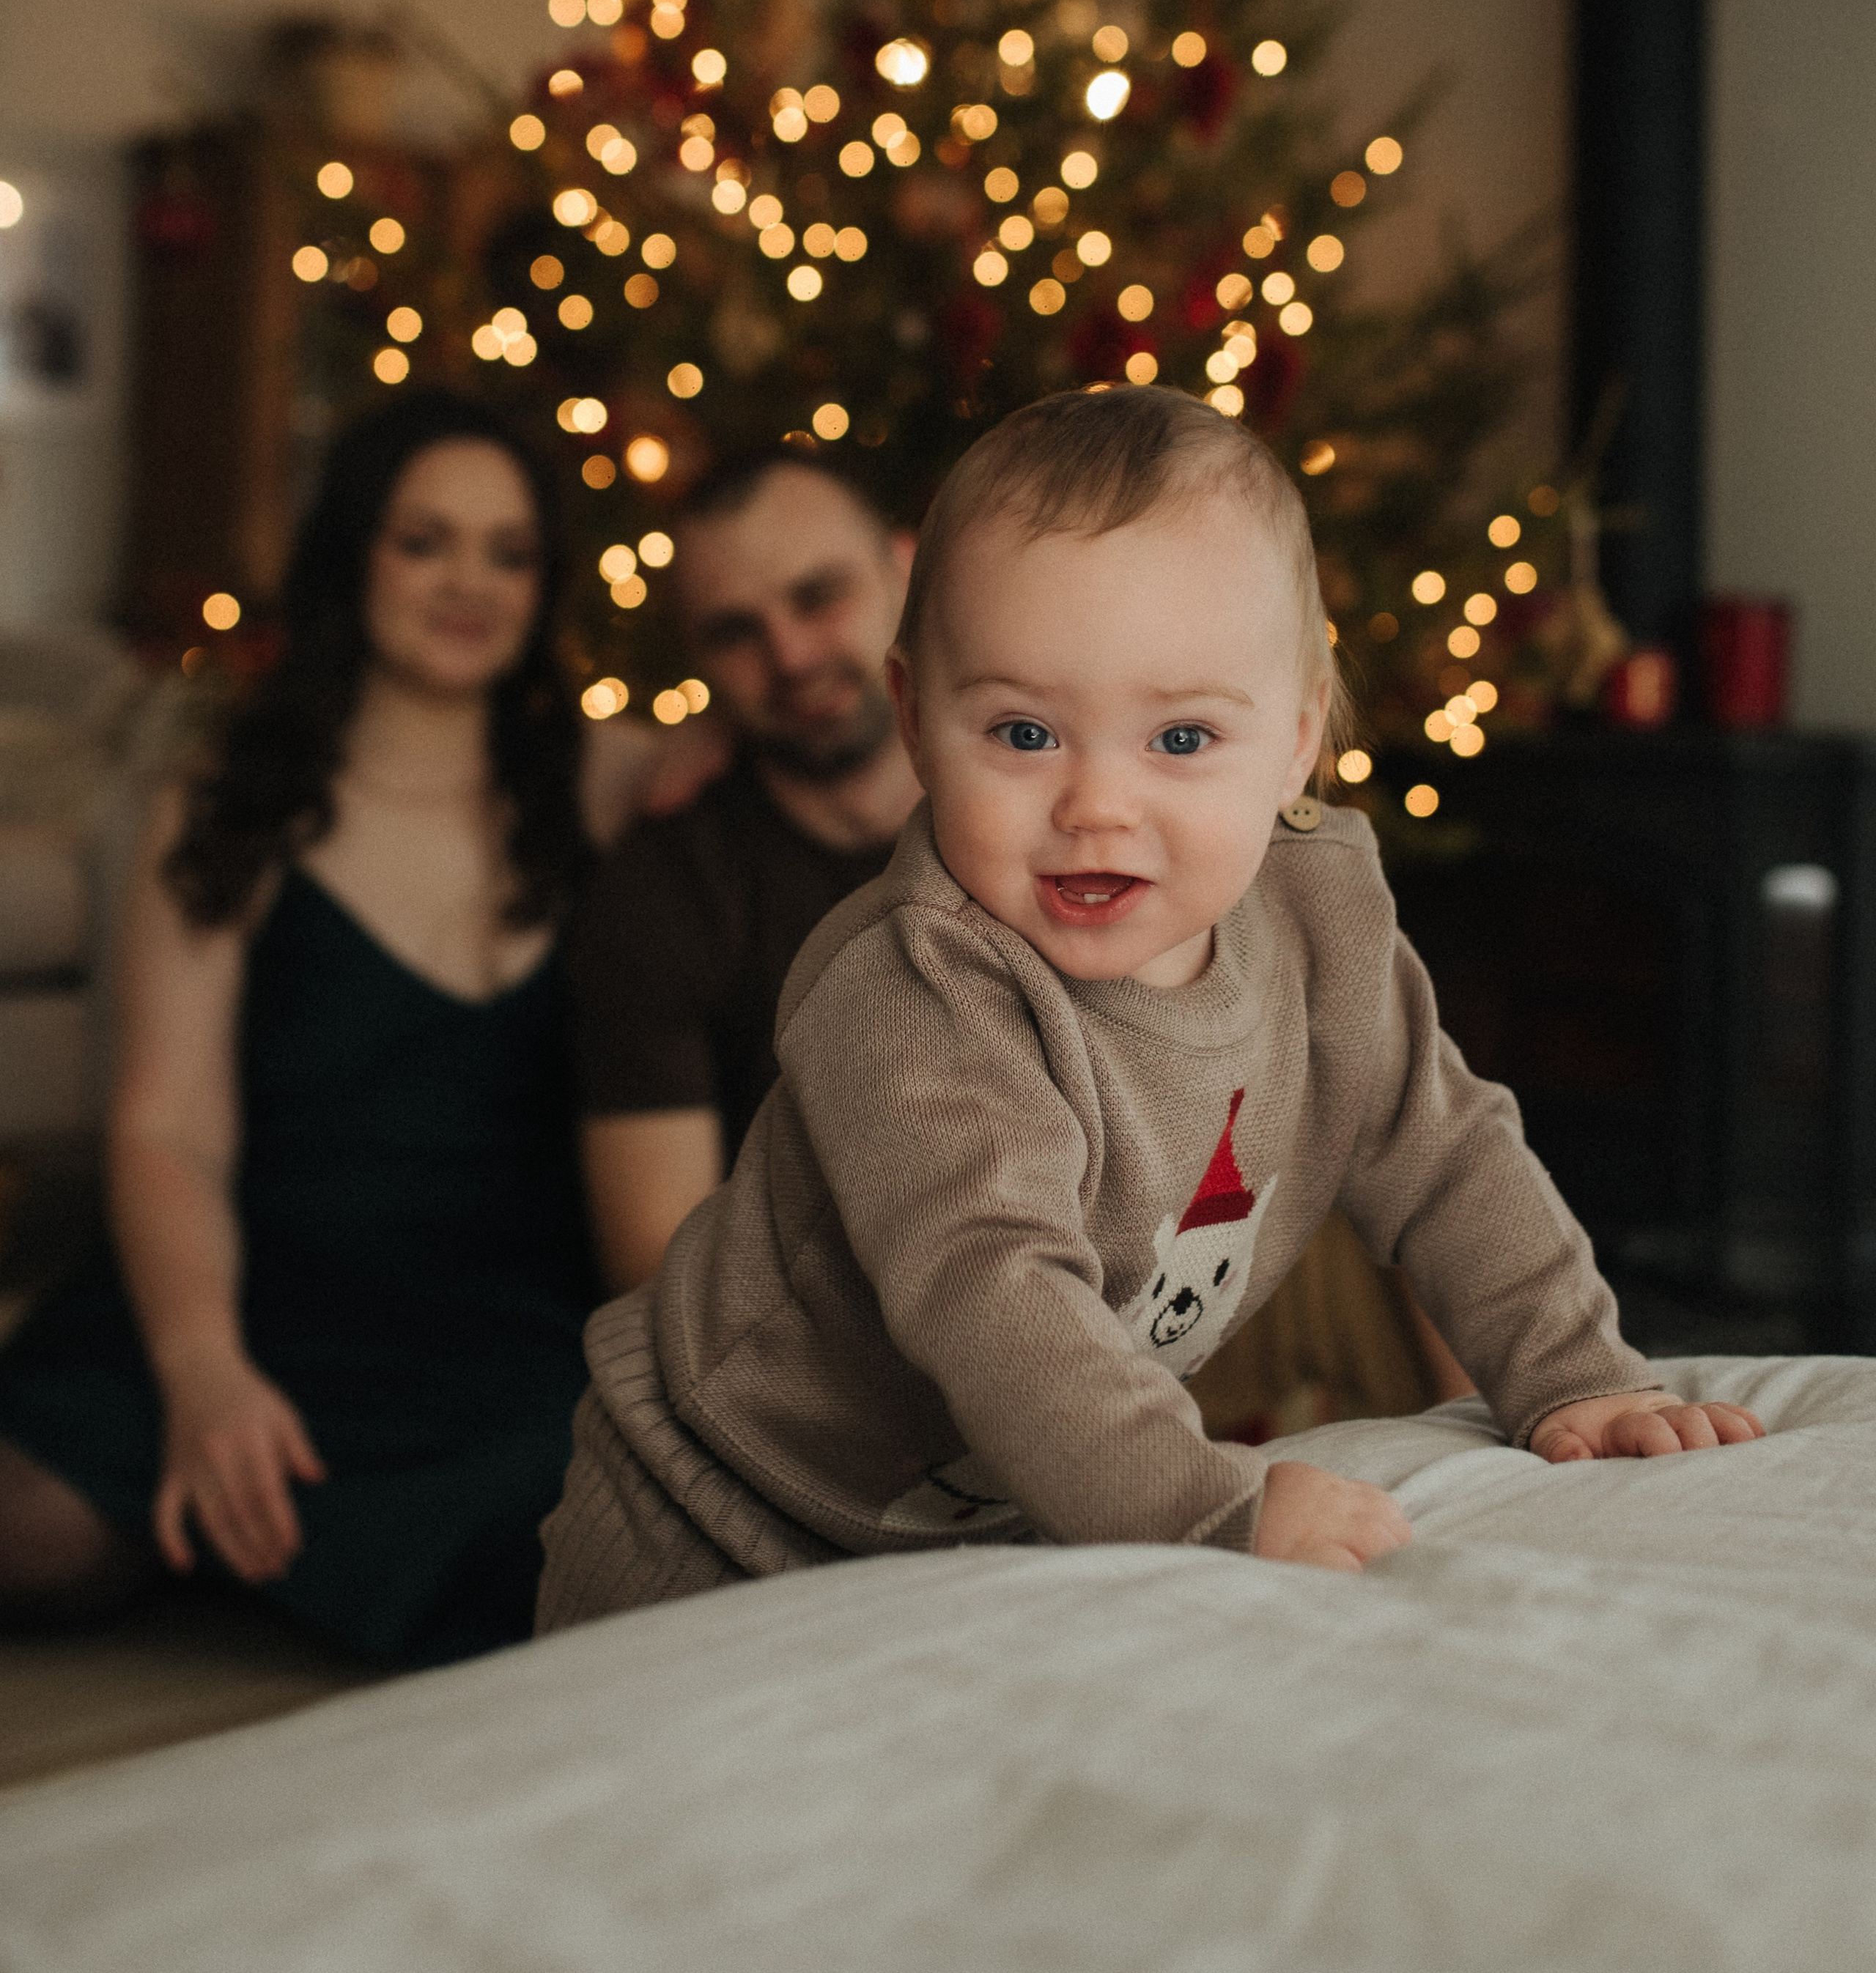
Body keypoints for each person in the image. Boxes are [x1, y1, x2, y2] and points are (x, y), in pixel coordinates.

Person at [539, 386, 1762, 1624]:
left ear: (1296, 742)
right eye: (1024, 731)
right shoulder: (914, 992)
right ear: (916, 721)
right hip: (713, 1509)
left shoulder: (1322, 925)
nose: (1096, 805)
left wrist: (1573, 1379)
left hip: (976, 1531)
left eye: (1180, 740)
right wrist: (1209, 1507)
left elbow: (1448, 1154)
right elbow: (995, 1297)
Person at [0, 390, 669, 1664]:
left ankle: (282, 1543)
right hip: (246, 1291)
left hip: (494, 1337)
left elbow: (813, 753)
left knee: (595, 1522)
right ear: (353, 553)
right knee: (34, 1528)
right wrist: (202, 1370)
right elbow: (167, 1125)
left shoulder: (606, 779)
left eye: (509, 551)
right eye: (425, 539)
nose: (469, 580)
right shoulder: (227, 803)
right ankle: (238, 1507)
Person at [572, 450, 920, 1295]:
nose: (791, 656)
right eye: (735, 631)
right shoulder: (664, 887)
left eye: (818, 596)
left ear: (908, 570)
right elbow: (659, 1269)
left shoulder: (1047, 795)